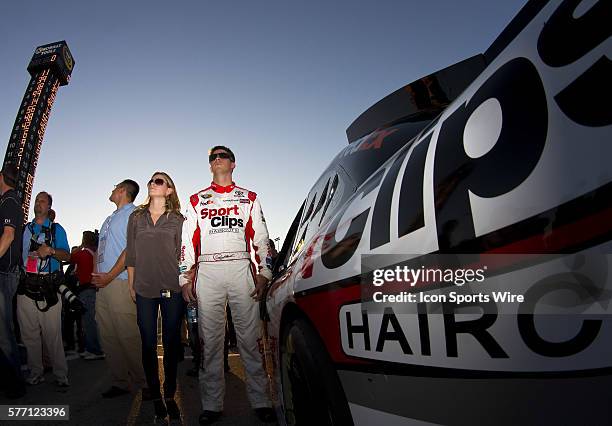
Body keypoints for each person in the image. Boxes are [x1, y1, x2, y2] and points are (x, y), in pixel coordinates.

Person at [180, 145, 276, 424]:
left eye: (222, 156)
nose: (217, 159)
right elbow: (186, 242)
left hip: (240, 267)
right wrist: (183, 277)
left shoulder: (249, 197)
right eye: (212, 157)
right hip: (208, 271)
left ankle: (261, 400)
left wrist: (265, 273)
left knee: (250, 340)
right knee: (210, 342)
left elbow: (262, 238)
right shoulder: (197, 199)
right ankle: (211, 404)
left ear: (233, 163)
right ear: (210, 166)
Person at [126, 172, 185, 420]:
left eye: (158, 181)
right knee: (148, 343)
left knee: (171, 343)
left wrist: (188, 281)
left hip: (173, 288)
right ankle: (155, 394)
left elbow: (183, 254)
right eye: (151, 180)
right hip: (144, 288)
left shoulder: (178, 219)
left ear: (169, 190)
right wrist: (131, 284)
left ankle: (170, 393)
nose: (152, 183)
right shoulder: (136, 217)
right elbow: (131, 254)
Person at [91, 179, 146, 398]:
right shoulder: (109, 218)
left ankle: (145, 381)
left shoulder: (134, 214)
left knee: (128, 335)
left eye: (115, 187)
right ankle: (121, 381)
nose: (112, 189)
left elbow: (130, 249)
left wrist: (110, 276)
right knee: (108, 336)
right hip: (103, 285)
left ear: (123, 190)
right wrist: (98, 277)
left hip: (120, 281)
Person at [17, 191, 70, 387]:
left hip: (49, 287)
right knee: (29, 334)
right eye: (36, 200)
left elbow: (68, 256)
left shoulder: (56, 230)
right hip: (26, 285)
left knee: (52, 334)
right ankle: (35, 372)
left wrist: (52, 251)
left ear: (49, 207)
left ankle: (60, 375)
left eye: (42, 201)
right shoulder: (25, 229)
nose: (38, 203)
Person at [0, 164, 25, 398]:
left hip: (5, 273)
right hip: (6, 273)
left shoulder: (9, 200)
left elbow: (8, 236)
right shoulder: (8, 200)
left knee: (4, 332)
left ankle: (15, 384)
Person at [70, 231, 105, 360]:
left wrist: (80, 245)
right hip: (93, 290)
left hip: (85, 290)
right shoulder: (95, 254)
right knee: (92, 320)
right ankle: (94, 347)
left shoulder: (83, 253)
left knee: (88, 321)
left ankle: (95, 350)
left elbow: (70, 257)